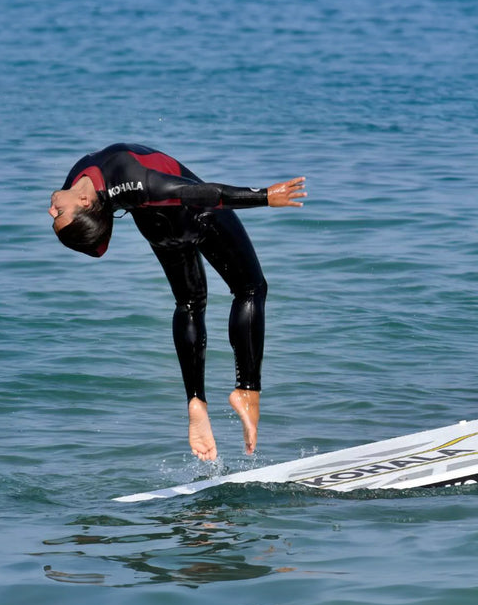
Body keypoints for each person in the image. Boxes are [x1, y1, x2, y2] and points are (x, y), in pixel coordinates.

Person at [49, 143, 306, 461]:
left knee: (189, 303)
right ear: (85, 202)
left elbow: (98, 244)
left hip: (158, 230)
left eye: (55, 216)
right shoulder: (129, 178)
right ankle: (247, 391)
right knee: (250, 289)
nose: (51, 210)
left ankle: (196, 403)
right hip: (195, 216)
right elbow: (198, 194)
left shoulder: (77, 186)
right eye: (58, 215)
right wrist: (265, 196)